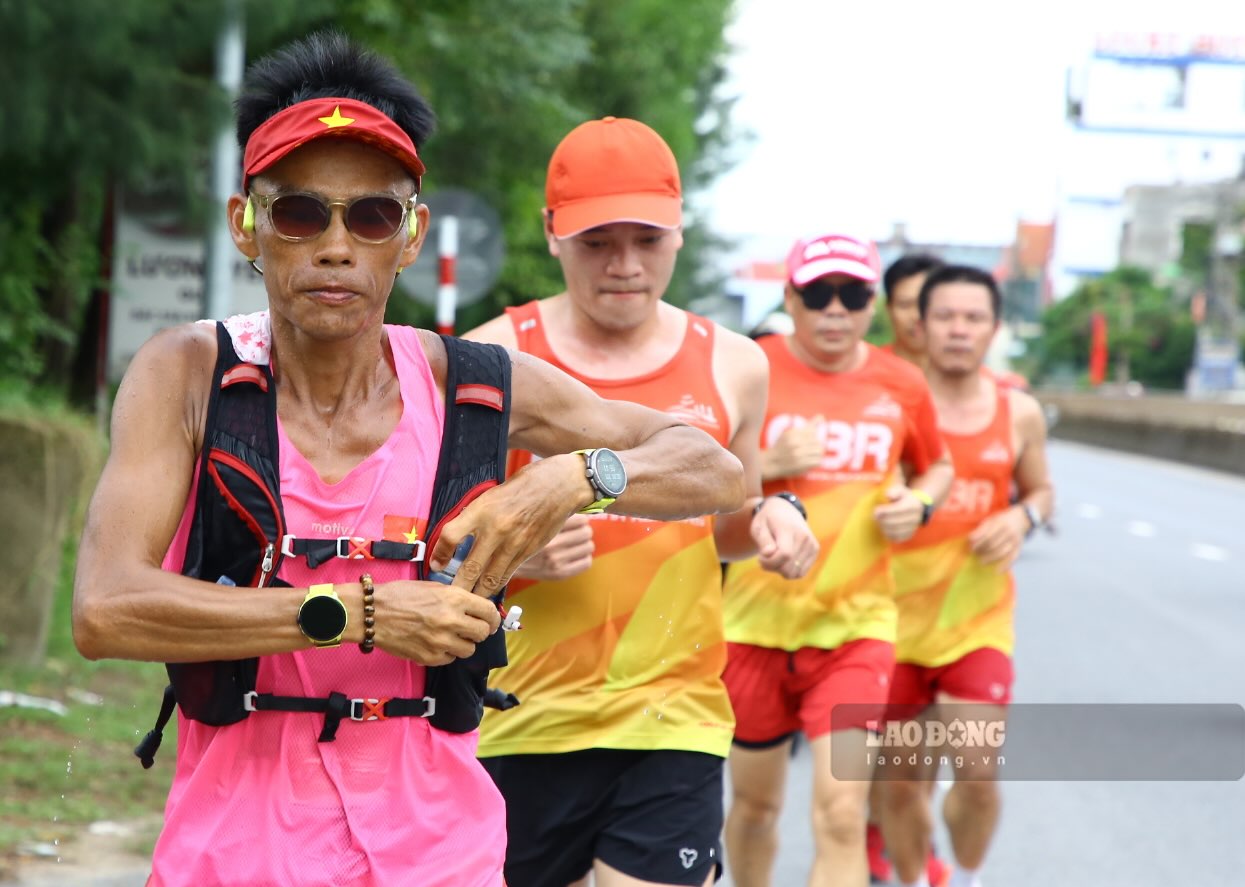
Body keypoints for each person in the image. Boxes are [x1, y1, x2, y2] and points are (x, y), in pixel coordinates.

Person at [71, 34, 745, 887]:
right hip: (239, 848)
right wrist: (355, 614)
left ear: (412, 234)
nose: (336, 245)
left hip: (437, 850)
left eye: (373, 215)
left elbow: (714, 466)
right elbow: (106, 607)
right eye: (300, 213)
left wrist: (564, 479)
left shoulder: (471, 385)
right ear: (246, 222)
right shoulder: (189, 374)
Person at [464, 116, 819, 887]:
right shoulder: (495, 356)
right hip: (521, 718)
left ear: (680, 233)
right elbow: (433, 549)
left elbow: (725, 525)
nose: (624, 265)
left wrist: (775, 517)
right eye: (597, 242)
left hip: (675, 715)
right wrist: (514, 554)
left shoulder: (734, 363)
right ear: (552, 232)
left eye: (646, 240)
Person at [720, 232, 955, 887]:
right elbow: (696, 473)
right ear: (790, 298)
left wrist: (920, 501)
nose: (834, 310)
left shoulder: (900, 383)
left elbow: (935, 464)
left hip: (856, 630)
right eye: (817, 293)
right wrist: (767, 465)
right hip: (751, 629)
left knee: (843, 810)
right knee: (755, 808)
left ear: (870, 305)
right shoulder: (748, 365)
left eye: (851, 295)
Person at [877, 265, 1054, 887]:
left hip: (975, 626)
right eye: (946, 317)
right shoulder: (888, 408)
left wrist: (1022, 516)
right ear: (918, 326)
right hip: (887, 628)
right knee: (898, 790)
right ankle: (911, 879)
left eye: (974, 318)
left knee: (977, 775)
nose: (959, 330)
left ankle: (968, 876)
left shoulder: (1019, 414)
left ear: (995, 328)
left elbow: (1041, 489)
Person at [870, 251, 945, 884]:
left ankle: (909, 845)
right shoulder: (875, 381)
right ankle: (882, 844)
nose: (924, 319)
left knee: (920, 748)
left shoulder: (984, 390)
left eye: (936, 305)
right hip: (873, 588)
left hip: (945, 598)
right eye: (911, 304)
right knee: (882, 744)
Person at [880, 253, 943, 368]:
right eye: (905, 304)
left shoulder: (977, 381)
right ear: (888, 308)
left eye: (925, 303)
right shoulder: (864, 374)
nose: (917, 316)